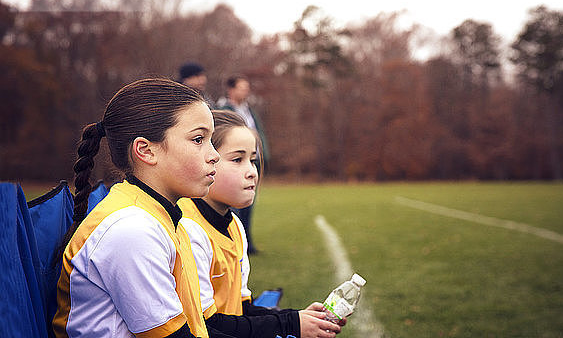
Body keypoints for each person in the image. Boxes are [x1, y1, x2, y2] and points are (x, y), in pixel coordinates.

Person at [52, 78, 233, 338]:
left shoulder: (161, 216)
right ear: (146, 151)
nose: (214, 154)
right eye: (198, 140)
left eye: (210, 140)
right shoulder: (130, 229)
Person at [178, 110, 344, 338]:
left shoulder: (235, 225)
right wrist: (290, 324)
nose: (251, 172)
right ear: (205, 159)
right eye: (237, 159)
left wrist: (300, 318)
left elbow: (241, 309)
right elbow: (205, 325)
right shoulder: (188, 228)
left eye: (253, 160)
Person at [218, 74, 269, 254]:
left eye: (247, 87)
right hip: (239, 162)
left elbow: (258, 133)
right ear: (231, 89)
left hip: (251, 158)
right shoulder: (223, 109)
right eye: (242, 87)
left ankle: (246, 242)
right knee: (233, 205)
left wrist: (260, 157)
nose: (246, 91)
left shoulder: (249, 110)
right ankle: (232, 243)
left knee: (248, 203)